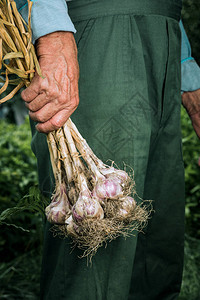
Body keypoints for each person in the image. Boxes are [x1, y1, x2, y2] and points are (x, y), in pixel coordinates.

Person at [16, 0, 200, 299]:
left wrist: (187, 74)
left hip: (163, 34)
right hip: (95, 29)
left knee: (157, 251)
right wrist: (52, 33)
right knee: (91, 262)